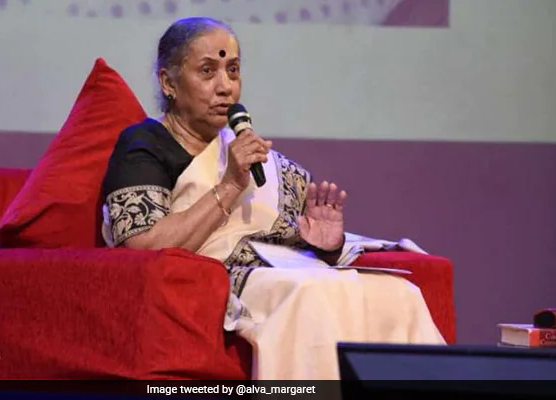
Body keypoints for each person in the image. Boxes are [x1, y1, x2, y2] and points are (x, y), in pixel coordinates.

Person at [101, 16, 445, 380]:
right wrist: (230, 184)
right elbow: (142, 246)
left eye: (233, 71)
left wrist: (327, 245)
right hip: (216, 278)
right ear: (168, 82)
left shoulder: (252, 155)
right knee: (309, 294)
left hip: (280, 271)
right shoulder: (144, 144)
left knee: (396, 294)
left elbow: (286, 235)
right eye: (207, 71)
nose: (226, 87)